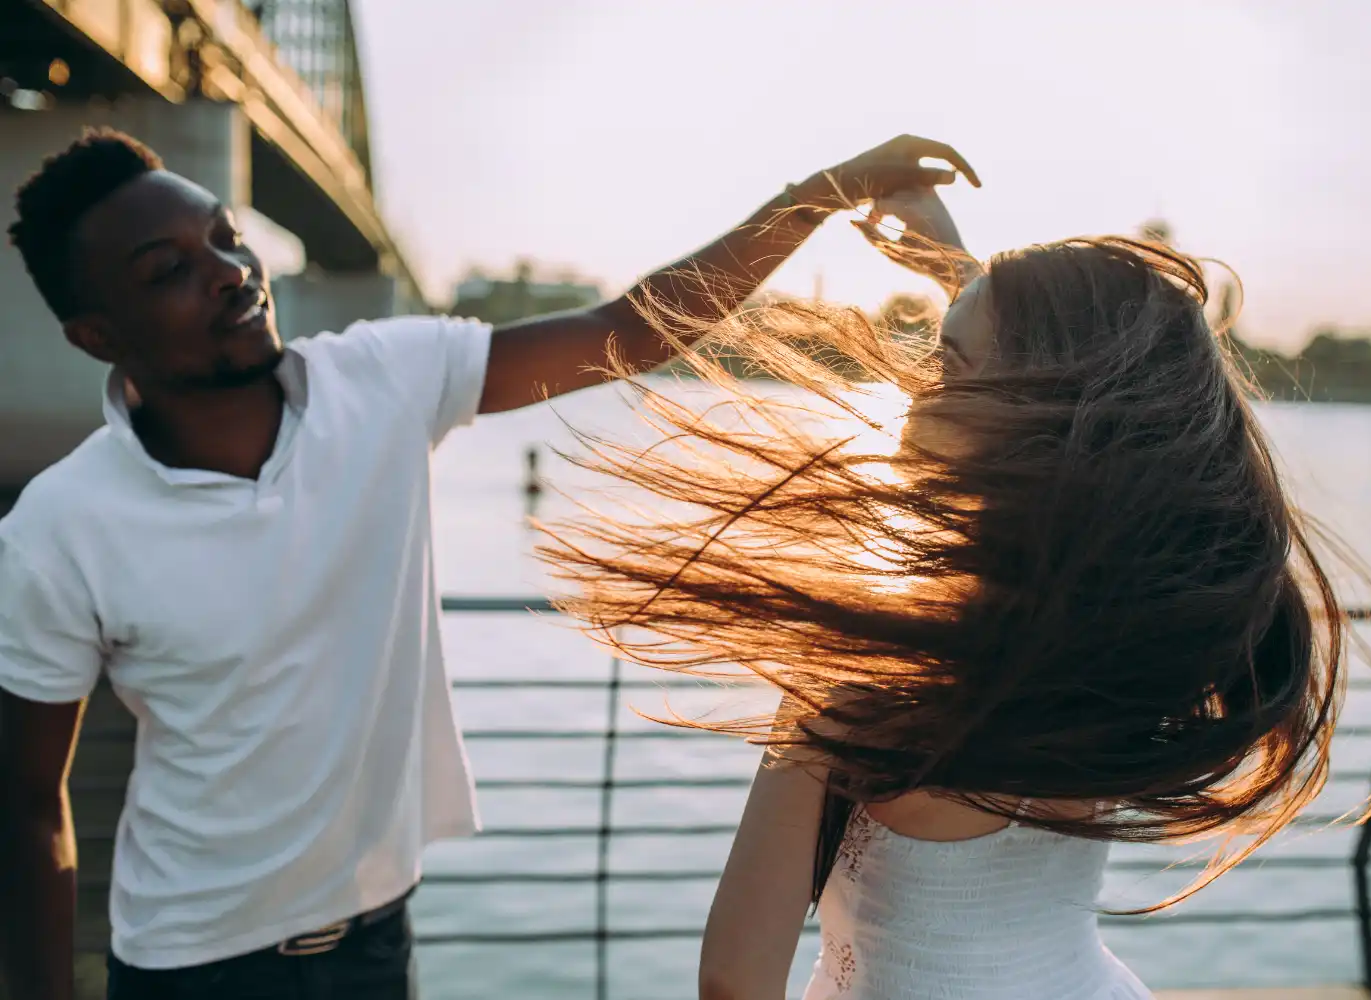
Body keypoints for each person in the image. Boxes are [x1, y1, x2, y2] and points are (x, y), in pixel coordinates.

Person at [0, 127, 978, 1000]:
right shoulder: (59, 527)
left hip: (378, 937)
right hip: (187, 964)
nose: (226, 270)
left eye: (224, 234)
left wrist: (819, 193)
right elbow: (32, 802)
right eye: (167, 269)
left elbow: (628, 332)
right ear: (97, 336)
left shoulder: (381, 380)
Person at [542, 188, 1371, 999]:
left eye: (948, 366)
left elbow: (735, 979)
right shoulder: (1132, 630)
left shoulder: (863, 686)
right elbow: (1074, 373)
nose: (918, 393)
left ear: (1028, 407)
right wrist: (953, 267)